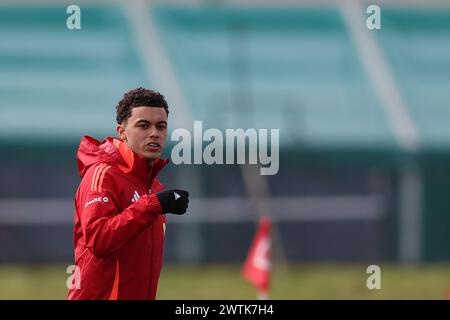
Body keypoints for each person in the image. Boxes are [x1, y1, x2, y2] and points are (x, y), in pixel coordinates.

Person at [67, 87, 189, 300]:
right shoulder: (103, 174)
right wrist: (153, 205)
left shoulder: (153, 186)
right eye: (143, 125)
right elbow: (99, 240)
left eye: (161, 126)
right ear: (122, 132)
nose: (154, 133)